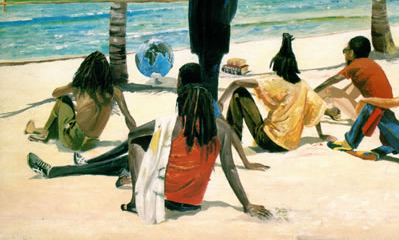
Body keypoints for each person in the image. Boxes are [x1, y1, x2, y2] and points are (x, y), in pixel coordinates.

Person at [27, 63, 268, 183]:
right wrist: (246, 162)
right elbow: (227, 131)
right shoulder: (203, 103)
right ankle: (90, 162)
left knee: (122, 157)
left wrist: (246, 162)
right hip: (174, 160)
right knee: (130, 145)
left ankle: (54, 171)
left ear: (183, 83)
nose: (176, 83)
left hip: (172, 165)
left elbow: (226, 132)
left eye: (178, 79)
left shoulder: (202, 106)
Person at [124, 83, 271, 223]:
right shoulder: (222, 129)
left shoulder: (172, 123)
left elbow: (132, 134)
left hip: (165, 197)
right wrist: (247, 204)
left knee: (137, 144)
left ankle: (135, 202)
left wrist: (157, 140)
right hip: (193, 202)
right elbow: (230, 168)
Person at [217, 33, 333, 153]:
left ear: (277, 65)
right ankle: (233, 136)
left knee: (239, 92)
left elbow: (236, 83)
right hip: (289, 144)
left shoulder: (275, 81)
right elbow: (317, 109)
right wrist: (321, 135)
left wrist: (220, 102)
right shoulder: (303, 86)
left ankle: (233, 136)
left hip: (268, 140)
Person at [24, 51, 136, 151]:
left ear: (85, 69)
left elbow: (55, 94)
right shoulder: (115, 92)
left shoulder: (78, 86)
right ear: (106, 72)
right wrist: (136, 136)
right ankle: (46, 131)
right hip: (90, 143)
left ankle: (45, 131)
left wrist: (70, 86)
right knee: (72, 113)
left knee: (64, 99)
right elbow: (128, 118)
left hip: (72, 141)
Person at [314, 36, 393, 143]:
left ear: (351, 53)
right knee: (355, 84)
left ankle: (326, 109)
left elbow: (334, 79)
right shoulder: (370, 64)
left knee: (328, 90)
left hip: (371, 118)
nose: (345, 54)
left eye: (345, 51)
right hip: (382, 109)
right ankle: (334, 110)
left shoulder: (355, 66)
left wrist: (313, 91)